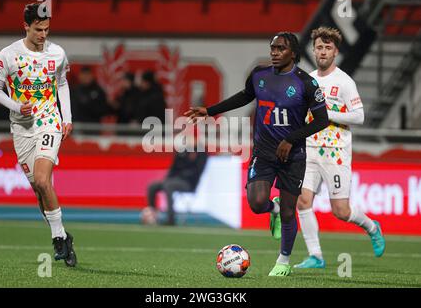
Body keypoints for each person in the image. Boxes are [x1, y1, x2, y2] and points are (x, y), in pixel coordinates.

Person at [185, 32, 329, 276]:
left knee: (288, 210)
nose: (274, 52)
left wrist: (291, 139)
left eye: (280, 48)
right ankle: (272, 211)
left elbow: (322, 120)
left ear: (292, 53)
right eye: (272, 48)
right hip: (263, 151)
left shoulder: (306, 83)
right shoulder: (259, 75)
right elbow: (244, 96)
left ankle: (283, 261)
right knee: (256, 203)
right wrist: (210, 110)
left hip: (293, 156)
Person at [0, 2, 77, 267]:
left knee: (42, 178)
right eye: (38, 30)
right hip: (22, 128)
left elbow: (61, 83)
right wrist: (16, 106)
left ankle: (58, 240)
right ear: (26, 26)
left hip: (49, 122)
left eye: (47, 29)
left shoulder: (57, 54)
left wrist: (66, 117)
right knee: (39, 189)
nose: (43, 35)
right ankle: (62, 235)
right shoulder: (9, 55)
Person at [292, 27, 385, 269]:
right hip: (310, 149)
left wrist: (327, 113)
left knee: (341, 211)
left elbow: (359, 116)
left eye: (328, 48)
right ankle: (316, 256)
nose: (323, 52)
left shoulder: (344, 82)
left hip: (335, 153)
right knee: (302, 202)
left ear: (336, 52)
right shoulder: (308, 80)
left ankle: (372, 227)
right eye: (319, 47)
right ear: (313, 50)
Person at [146, 150, 208, 226]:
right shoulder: (182, 153)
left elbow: (196, 172)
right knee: (153, 186)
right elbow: (173, 169)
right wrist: (168, 179)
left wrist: (194, 156)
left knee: (168, 186)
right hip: (172, 181)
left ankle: (170, 219)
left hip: (188, 184)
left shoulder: (201, 155)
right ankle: (153, 215)